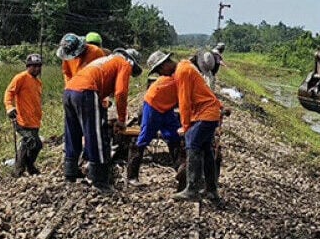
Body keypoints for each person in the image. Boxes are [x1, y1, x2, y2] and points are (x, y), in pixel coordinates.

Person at [62, 48, 142, 192]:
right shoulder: (124, 63)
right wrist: (122, 119)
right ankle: (99, 181)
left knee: (72, 132)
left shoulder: (105, 60)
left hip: (69, 91)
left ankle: (70, 173)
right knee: (95, 134)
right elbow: (121, 92)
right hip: (86, 91)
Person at [168, 51, 224, 202]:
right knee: (206, 151)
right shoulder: (189, 69)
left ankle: (192, 189)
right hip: (209, 114)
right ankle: (212, 190)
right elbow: (207, 94)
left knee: (192, 146)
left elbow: (184, 102)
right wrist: (219, 105)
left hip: (205, 115)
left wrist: (185, 127)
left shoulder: (183, 70)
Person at [126, 50, 184, 186]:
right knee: (144, 137)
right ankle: (132, 176)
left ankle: (182, 172)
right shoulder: (175, 74)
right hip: (153, 105)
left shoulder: (181, 72)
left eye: (159, 70)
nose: (160, 74)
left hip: (167, 107)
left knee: (174, 136)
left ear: (165, 65)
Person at [4, 54, 44, 178]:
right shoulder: (20, 78)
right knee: (32, 142)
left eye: (39, 66)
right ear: (28, 66)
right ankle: (23, 169)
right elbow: (9, 93)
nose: (37, 69)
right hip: (21, 119)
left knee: (33, 145)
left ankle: (24, 168)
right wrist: (10, 108)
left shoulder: (38, 82)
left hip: (34, 121)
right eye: (34, 66)